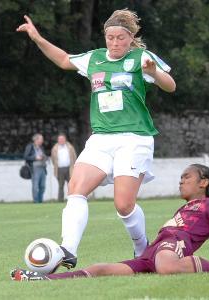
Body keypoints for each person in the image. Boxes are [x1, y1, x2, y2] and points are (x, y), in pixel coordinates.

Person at [17, 9, 176, 268]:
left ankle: (142, 249)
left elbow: (171, 85)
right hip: (101, 138)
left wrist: (155, 73)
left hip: (134, 138)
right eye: (110, 38)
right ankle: (68, 249)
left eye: (120, 38)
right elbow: (64, 60)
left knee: (124, 205)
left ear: (131, 37)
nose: (114, 43)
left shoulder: (141, 57)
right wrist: (37, 37)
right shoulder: (95, 58)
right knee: (76, 189)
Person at [10, 164, 209, 281]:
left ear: (203, 183)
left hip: (173, 245)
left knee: (167, 267)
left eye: (187, 177)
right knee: (101, 268)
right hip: (154, 250)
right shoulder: (185, 206)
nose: (181, 181)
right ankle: (46, 280)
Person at [51, 133, 77, 201]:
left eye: (62, 139)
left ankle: (73, 199)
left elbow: (74, 157)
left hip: (69, 169)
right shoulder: (54, 148)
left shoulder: (70, 147)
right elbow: (53, 159)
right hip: (59, 169)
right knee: (61, 186)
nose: (61, 140)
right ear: (58, 140)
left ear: (65, 139)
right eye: (60, 139)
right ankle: (60, 200)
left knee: (71, 185)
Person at [24, 133, 48, 203]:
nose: (42, 141)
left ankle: (40, 200)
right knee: (35, 186)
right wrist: (35, 158)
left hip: (43, 168)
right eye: (41, 139)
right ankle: (36, 201)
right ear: (36, 140)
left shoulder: (41, 147)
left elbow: (44, 156)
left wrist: (45, 157)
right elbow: (26, 157)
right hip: (34, 169)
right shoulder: (30, 147)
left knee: (42, 186)